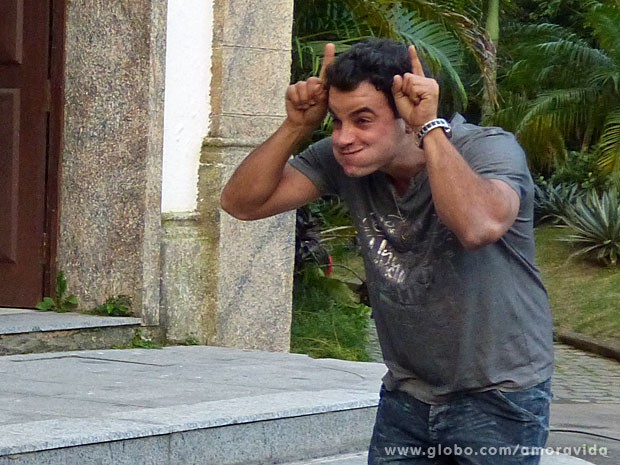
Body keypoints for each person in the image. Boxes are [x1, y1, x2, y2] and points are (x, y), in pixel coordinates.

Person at [220, 38, 554, 465]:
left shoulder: (488, 149)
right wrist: (296, 127)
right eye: (337, 122)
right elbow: (241, 203)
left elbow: (478, 226)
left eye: (363, 119)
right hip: (407, 394)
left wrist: (428, 127)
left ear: (407, 114)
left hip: (498, 396)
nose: (344, 138)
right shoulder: (345, 163)